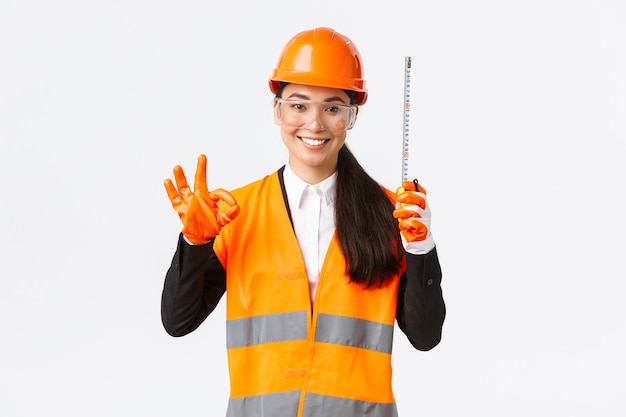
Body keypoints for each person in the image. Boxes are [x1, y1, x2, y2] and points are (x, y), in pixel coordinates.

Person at [161, 27, 445, 417]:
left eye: (332, 108)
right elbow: (178, 321)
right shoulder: (233, 213)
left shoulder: (389, 213)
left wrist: (420, 247)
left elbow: (426, 336)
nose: (314, 124)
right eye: (298, 105)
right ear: (277, 110)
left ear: (351, 116)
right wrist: (195, 243)